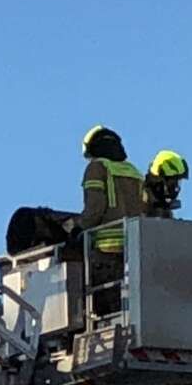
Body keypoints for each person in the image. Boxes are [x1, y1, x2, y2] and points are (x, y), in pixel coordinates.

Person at [79, 125, 145, 314]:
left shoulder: (97, 168)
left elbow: (95, 208)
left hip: (107, 250)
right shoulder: (134, 171)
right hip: (134, 248)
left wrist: (79, 229)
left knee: (105, 307)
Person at [143, 149, 189, 218]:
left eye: (177, 183)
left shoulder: (165, 211)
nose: (174, 188)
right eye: (172, 183)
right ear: (158, 181)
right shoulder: (139, 201)